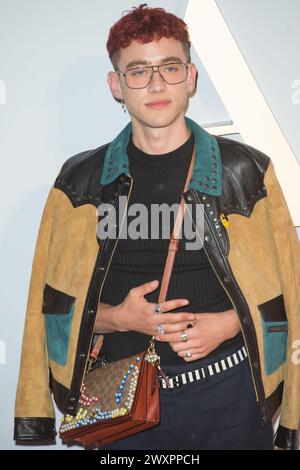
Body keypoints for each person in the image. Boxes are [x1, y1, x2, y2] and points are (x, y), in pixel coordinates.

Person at [14, 4, 299, 450]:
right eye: (138, 71)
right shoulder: (79, 181)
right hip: (121, 405)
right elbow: (47, 308)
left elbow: (290, 293)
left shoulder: (247, 172)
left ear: (190, 77)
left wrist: (228, 324)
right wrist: (116, 318)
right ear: (116, 86)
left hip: (233, 397)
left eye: (169, 67)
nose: (156, 83)